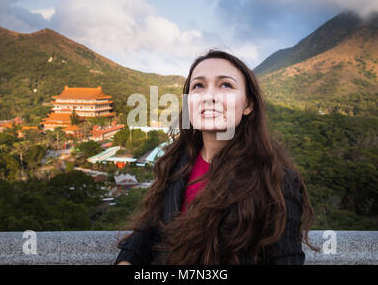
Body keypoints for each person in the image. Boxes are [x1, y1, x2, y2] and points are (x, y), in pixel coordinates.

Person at [115, 49, 318, 265]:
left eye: (226, 85)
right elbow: (151, 228)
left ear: (248, 105)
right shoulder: (175, 163)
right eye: (198, 86)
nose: (209, 96)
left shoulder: (277, 181)